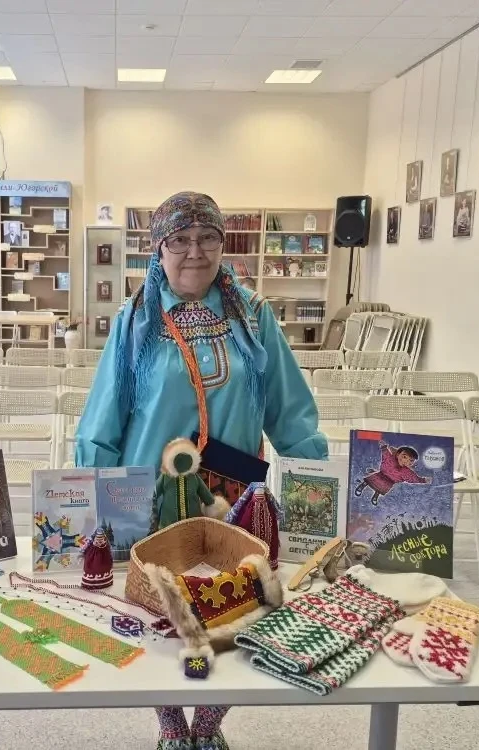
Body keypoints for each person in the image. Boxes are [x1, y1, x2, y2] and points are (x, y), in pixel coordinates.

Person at [75, 191, 326, 750]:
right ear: (158, 249)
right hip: (147, 498)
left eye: (208, 237)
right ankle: (169, 720)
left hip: (230, 498)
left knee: (237, 612)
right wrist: (93, 502)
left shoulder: (253, 316)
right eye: (180, 240)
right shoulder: (136, 320)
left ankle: (209, 722)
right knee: (155, 618)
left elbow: (291, 411)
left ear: (223, 245)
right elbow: (102, 421)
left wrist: (317, 492)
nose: (195, 251)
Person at [354, 442, 429, 506]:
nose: (406, 461)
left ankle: (376, 496)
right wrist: (383, 447)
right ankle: (362, 486)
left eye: (411, 461)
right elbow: (386, 454)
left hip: (389, 482)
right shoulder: (391, 459)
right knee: (370, 480)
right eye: (404, 457)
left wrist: (423, 480)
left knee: (380, 489)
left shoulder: (407, 472)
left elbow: (413, 478)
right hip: (381, 474)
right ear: (398, 454)